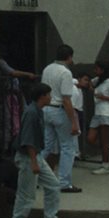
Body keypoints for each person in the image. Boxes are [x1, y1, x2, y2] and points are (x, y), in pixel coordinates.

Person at [11, 83, 67, 218]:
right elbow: (28, 140)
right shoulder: (31, 113)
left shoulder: (38, 111)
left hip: (36, 155)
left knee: (53, 185)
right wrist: (34, 162)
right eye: (48, 94)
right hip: (29, 157)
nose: (50, 97)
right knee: (26, 193)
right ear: (42, 96)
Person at [39, 45, 81, 193]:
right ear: (69, 57)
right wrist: (74, 122)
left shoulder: (47, 69)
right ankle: (65, 182)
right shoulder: (66, 73)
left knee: (46, 145)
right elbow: (66, 100)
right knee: (67, 147)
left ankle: (37, 177)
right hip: (60, 110)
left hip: (46, 108)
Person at [87, 62, 109, 175]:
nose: (95, 71)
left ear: (103, 70)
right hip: (97, 113)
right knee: (91, 138)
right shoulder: (98, 80)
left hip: (107, 113)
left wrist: (104, 97)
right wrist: (91, 89)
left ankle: (105, 165)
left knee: (104, 140)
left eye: (97, 69)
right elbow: (89, 83)